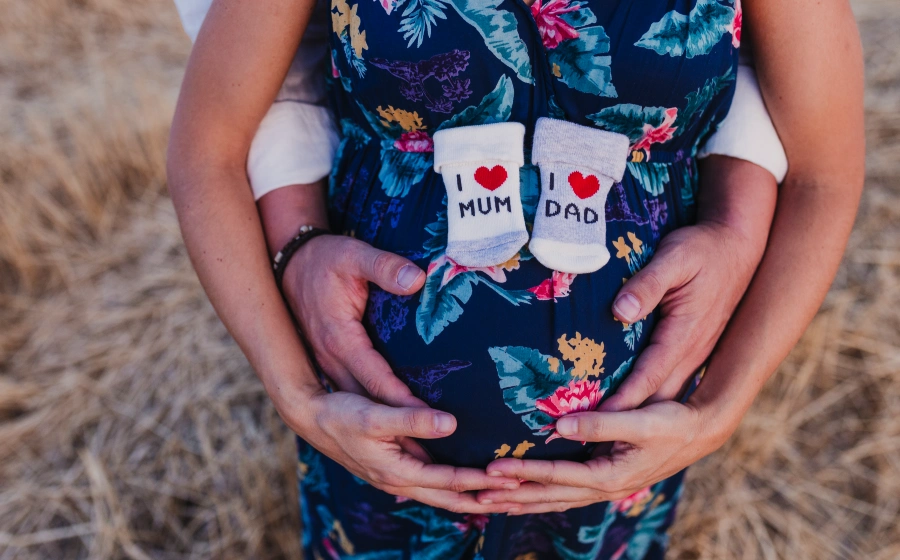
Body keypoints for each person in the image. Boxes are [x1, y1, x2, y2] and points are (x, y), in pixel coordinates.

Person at [166, 0, 864, 557]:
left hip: (617, 477)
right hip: (377, 452)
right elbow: (209, 149)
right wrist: (298, 389)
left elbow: (822, 171)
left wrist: (719, 410)